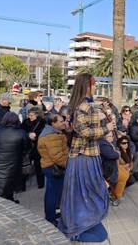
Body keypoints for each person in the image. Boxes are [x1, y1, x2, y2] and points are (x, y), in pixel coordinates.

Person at [59, 73, 115, 242]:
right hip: (84, 156)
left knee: (84, 192)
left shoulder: (83, 105)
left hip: (86, 154)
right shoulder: (84, 106)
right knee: (88, 191)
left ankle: (84, 221)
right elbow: (84, 132)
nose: (96, 86)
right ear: (87, 85)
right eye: (94, 83)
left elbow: (77, 128)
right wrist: (107, 128)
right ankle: (81, 224)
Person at [37, 114, 69, 225]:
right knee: (52, 194)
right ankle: (50, 218)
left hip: (51, 166)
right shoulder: (51, 136)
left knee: (52, 193)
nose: (63, 123)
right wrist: (69, 165)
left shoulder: (53, 133)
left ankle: (51, 215)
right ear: (53, 123)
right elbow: (57, 156)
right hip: (53, 168)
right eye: (60, 121)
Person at [0, 112, 29, 202]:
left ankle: (4, 204)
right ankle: (9, 201)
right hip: (14, 165)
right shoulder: (21, 133)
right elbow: (27, 148)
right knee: (10, 187)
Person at [21, 106, 47, 189]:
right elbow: (21, 131)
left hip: (38, 147)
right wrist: (28, 135)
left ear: (37, 115)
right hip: (27, 147)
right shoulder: (25, 122)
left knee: (38, 167)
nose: (29, 117)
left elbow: (45, 134)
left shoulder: (42, 122)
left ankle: (40, 184)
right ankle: (22, 186)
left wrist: (36, 135)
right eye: (29, 115)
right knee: (25, 166)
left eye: (31, 115)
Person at [99, 132, 120, 206]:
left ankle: (113, 196)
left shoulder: (107, 143)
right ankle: (112, 197)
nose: (112, 137)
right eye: (111, 136)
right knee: (108, 184)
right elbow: (112, 155)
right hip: (107, 169)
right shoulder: (103, 144)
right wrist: (117, 154)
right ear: (105, 137)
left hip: (109, 168)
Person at [116, 136, 132, 201]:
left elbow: (131, 162)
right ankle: (118, 195)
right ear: (120, 144)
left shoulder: (128, 151)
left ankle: (121, 190)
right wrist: (126, 166)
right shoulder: (119, 153)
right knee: (127, 179)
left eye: (127, 143)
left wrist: (130, 167)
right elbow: (119, 165)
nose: (126, 144)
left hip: (128, 170)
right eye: (124, 143)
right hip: (122, 171)